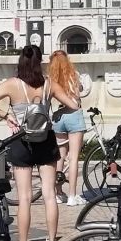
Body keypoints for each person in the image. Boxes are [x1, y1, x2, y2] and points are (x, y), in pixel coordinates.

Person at [0, 45, 78, 241]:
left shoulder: (12, 84)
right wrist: (57, 114)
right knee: (49, 194)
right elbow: (74, 105)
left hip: (21, 141)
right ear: (40, 61)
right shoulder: (49, 84)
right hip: (46, 139)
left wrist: (7, 116)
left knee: (24, 198)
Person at [49, 50, 86, 206]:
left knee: (60, 157)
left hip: (58, 117)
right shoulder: (73, 74)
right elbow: (79, 91)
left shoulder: (51, 79)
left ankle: (58, 193)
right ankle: (72, 195)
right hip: (73, 115)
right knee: (74, 157)